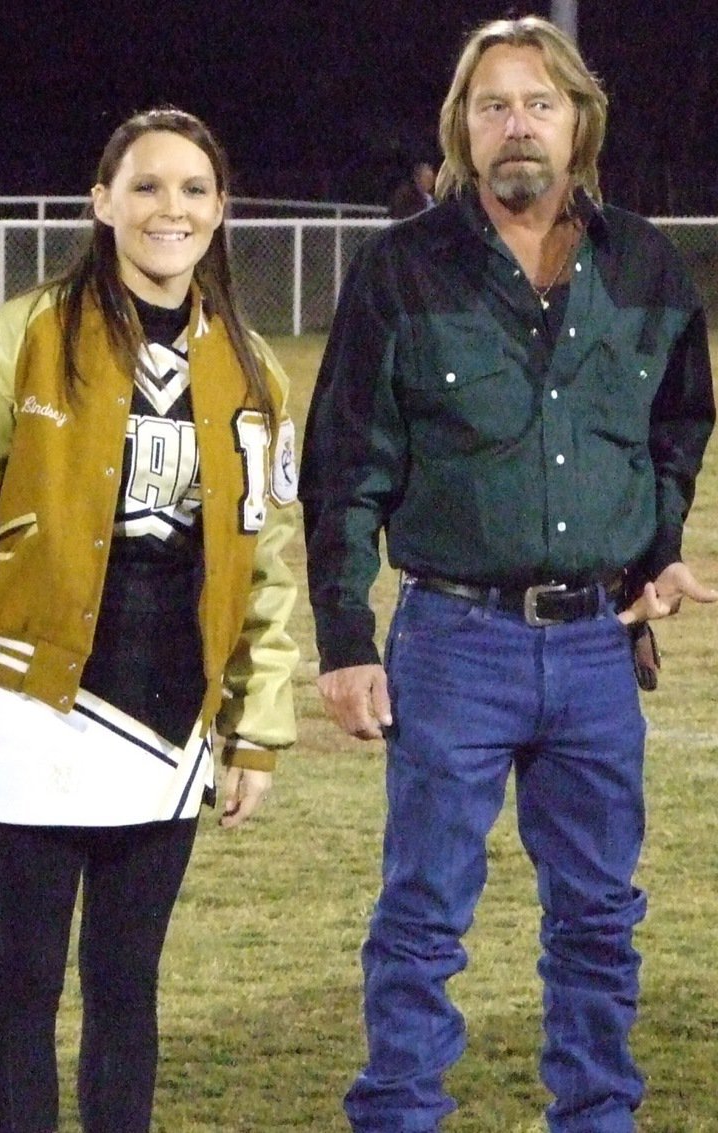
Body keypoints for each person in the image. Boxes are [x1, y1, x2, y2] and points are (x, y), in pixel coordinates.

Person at [299, 15, 715, 1133]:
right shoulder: (400, 268)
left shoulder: (644, 263)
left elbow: (678, 421)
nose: (516, 124)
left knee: (597, 912)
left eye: (538, 102)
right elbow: (345, 464)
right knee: (424, 911)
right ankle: (397, 1111)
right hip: (453, 639)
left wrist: (658, 544)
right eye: (492, 106)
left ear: (580, 122)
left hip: (594, 645)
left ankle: (596, 1113)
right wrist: (343, 636)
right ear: (462, 132)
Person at [0, 106, 300, 1132]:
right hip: (33, 700)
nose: (172, 207)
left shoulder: (252, 367)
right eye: (148, 186)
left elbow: (268, 561)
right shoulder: (23, 333)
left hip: (172, 722)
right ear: (103, 203)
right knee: (23, 981)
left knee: (129, 986)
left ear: (221, 211)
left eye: (195, 189)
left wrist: (258, 721)